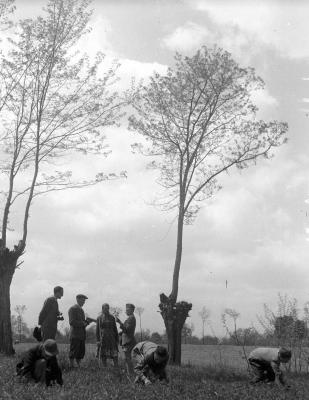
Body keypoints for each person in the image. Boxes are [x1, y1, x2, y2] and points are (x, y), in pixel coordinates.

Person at [68, 294, 90, 368]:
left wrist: (87, 322)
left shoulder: (81, 310)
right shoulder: (72, 309)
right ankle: (71, 366)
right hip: (75, 335)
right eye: (82, 300)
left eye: (84, 301)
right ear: (77, 299)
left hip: (81, 335)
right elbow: (72, 322)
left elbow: (83, 324)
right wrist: (83, 323)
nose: (84, 302)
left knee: (80, 353)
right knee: (73, 352)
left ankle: (78, 366)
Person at [116, 303, 136, 374]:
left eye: (127, 310)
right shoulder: (130, 318)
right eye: (126, 309)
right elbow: (126, 330)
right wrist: (120, 333)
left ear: (131, 310)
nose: (126, 311)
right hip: (127, 341)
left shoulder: (131, 318)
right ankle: (129, 372)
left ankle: (130, 373)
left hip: (128, 341)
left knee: (127, 358)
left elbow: (126, 330)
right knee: (127, 358)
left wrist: (119, 322)